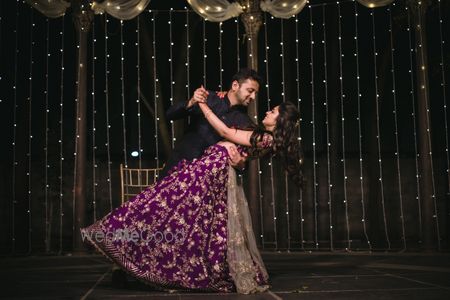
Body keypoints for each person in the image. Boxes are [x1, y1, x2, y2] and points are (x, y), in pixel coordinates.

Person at [81, 99, 302, 294]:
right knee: (162, 208)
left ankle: (126, 247)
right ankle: (123, 247)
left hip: (206, 176)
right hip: (204, 172)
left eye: (273, 112)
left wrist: (203, 106)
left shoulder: (265, 138)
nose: (266, 112)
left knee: (164, 209)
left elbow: (226, 133)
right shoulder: (263, 136)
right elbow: (241, 157)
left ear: (281, 120)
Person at [159, 68, 262, 178]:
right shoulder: (209, 98)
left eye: (255, 93)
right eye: (250, 91)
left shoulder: (245, 122)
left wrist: (240, 164)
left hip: (206, 180)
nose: (253, 97)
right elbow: (170, 114)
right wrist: (191, 101)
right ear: (235, 85)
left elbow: (244, 161)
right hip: (178, 166)